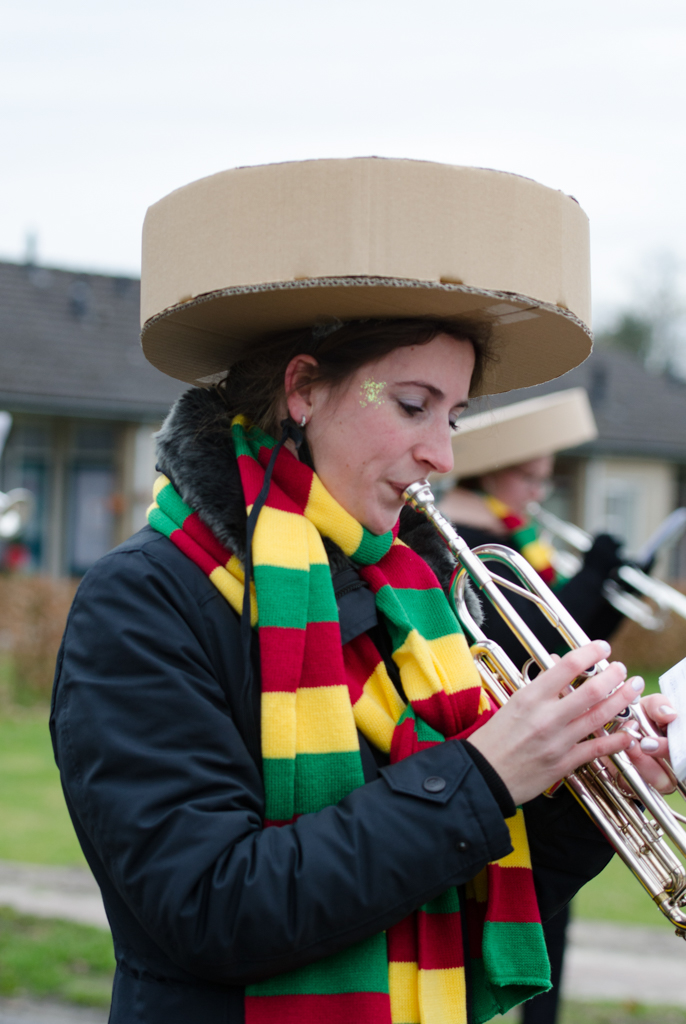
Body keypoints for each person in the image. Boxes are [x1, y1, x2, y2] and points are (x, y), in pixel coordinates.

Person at [49, 159, 676, 1024]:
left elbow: (468, 884)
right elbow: (211, 908)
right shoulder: (145, 600)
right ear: (305, 389)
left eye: (451, 417)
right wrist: (485, 775)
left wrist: (584, 778)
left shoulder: (414, 599)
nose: (443, 455)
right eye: (412, 405)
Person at [436, 389, 629, 1024]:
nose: (538, 494)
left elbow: (574, 643)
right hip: (498, 739)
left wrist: (613, 588)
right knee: (519, 904)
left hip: (550, 740)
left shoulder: (519, 536)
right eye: (530, 478)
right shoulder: (465, 538)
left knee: (552, 902)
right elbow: (531, 637)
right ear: (494, 471)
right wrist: (596, 576)